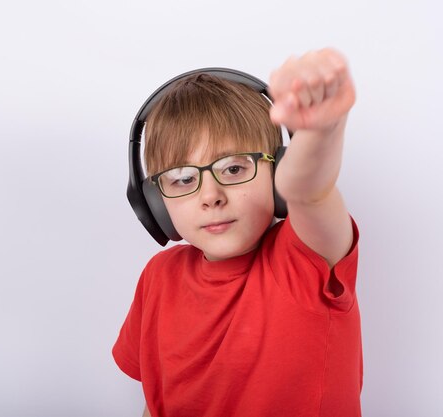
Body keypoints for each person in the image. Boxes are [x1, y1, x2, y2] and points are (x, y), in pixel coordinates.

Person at [113, 48, 362, 417]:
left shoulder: (304, 258)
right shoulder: (158, 278)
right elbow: (155, 401)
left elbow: (312, 191)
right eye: (183, 178)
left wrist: (320, 134)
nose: (210, 196)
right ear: (154, 200)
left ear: (277, 173)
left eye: (233, 169)